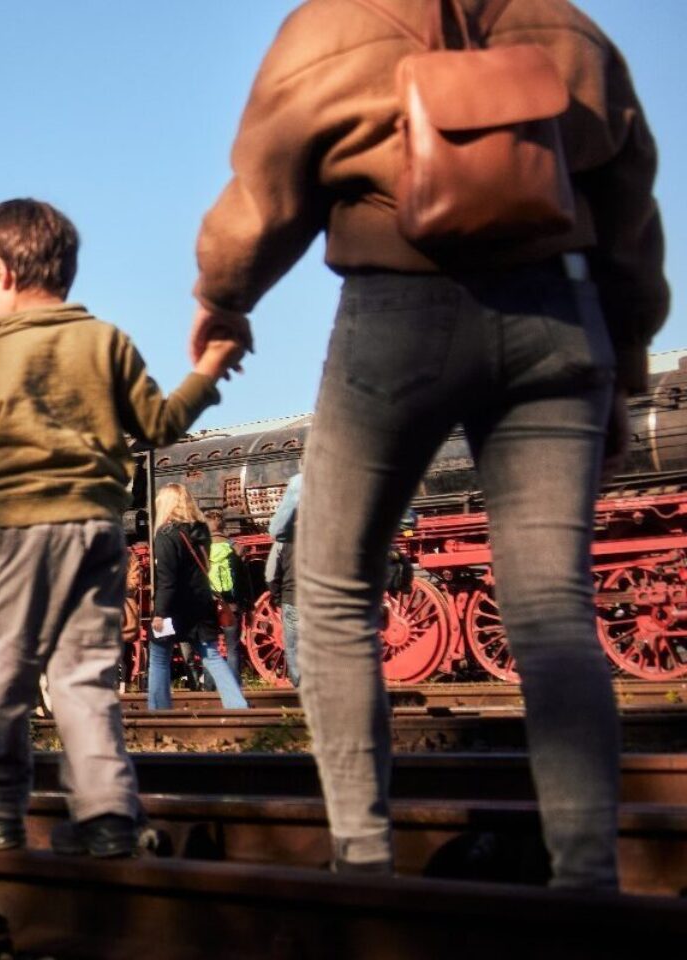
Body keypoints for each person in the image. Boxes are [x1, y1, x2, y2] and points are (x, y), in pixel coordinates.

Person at [192, 0, 663, 886]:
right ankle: (588, 878)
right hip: (558, 313)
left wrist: (224, 298)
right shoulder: (566, 28)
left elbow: (262, 195)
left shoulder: (330, 25)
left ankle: (365, 863)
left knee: (332, 585)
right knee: (553, 607)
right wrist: (626, 357)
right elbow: (628, 201)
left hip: (396, 310)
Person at [0, 197, 243, 853]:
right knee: (84, 679)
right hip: (96, 533)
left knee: (2, 676)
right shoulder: (105, 342)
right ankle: (108, 818)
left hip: (14, 535)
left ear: (1, 271)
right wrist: (206, 373)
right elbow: (159, 425)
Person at [150, 485, 250, 711]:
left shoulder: (166, 535)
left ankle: (159, 709)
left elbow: (167, 580)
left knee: (159, 656)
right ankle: (237, 704)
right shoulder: (201, 531)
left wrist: (160, 613)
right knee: (211, 655)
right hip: (201, 604)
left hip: (174, 608)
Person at [204, 509, 255, 687]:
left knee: (210, 648)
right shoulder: (236, 548)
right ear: (223, 526)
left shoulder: (201, 550)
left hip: (209, 605)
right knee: (233, 648)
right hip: (232, 606)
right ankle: (233, 688)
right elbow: (244, 580)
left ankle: (208, 688)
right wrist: (249, 607)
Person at [266, 475, 302, 687]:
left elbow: (270, 574)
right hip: (323, 598)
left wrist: (278, 596)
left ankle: (301, 686)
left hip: (293, 597)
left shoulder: (283, 539)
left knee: (294, 646)